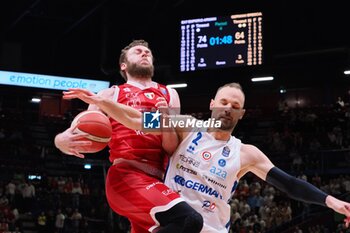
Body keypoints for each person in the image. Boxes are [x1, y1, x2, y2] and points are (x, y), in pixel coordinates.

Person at [62, 82, 350, 233]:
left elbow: (288, 184)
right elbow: (138, 120)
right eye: (223, 102)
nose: (228, 108)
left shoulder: (246, 152)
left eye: (235, 106)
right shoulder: (187, 126)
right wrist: (102, 102)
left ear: (241, 114)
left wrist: (332, 201)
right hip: (174, 222)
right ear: (212, 105)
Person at [54, 40, 203, 233]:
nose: (144, 54)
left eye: (148, 52)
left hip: (158, 180)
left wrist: (166, 119)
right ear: (123, 65)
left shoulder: (169, 94)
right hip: (127, 176)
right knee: (188, 220)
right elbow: (81, 127)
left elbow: (171, 148)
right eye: (138, 51)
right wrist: (61, 141)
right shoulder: (109, 94)